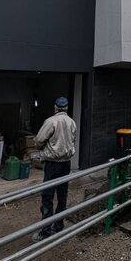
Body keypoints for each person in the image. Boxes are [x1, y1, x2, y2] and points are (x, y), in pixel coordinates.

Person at [33, 96, 76, 242]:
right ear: (67, 108)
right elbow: (73, 140)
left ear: (55, 108)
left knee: (47, 196)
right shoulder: (72, 122)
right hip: (66, 163)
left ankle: (45, 231)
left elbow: (39, 140)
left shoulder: (51, 121)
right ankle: (58, 226)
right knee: (62, 195)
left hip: (52, 164)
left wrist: (42, 148)